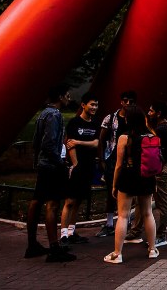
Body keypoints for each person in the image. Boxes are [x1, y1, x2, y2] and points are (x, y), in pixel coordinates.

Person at [24, 84, 76, 262]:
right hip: (52, 166)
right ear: (60, 97)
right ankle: (54, 248)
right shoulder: (54, 115)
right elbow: (48, 144)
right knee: (52, 204)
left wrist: (37, 162)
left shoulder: (43, 113)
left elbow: (36, 143)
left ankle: (32, 244)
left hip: (43, 164)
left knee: (36, 201)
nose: (69, 98)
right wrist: (61, 163)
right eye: (67, 95)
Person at [104, 103, 159, 264]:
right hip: (147, 177)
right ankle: (152, 249)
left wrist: (114, 185)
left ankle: (117, 253)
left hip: (128, 176)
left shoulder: (124, 138)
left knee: (123, 215)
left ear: (129, 120)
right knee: (148, 213)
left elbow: (119, 165)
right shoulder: (151, 135)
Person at [126, 101, 167, 248]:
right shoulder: (163, 126)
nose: (149, 113)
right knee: (142, 199)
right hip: (154, 167)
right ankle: (136, 230)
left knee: (161, 201)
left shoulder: (161, 129)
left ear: (158, 113)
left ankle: (161, 233)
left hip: (161, 168)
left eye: (151, 111)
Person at [59, 92, 99, 245]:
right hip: (77, 167)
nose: (94, 107)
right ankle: (63, 235)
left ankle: (71, 231)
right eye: (92, 104)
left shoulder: (95, 123)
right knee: (69, 201)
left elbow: (96, 143)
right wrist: (75, 165)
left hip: (89, 167)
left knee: (79, 201)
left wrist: (79, 142)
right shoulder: (75, 123)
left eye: (96, 105)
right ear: (83, 105)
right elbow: (70, 145)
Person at [96, 90, 134, 237]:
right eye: (125, 101)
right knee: (112, 190)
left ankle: (126, 220)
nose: (128, 104)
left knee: (128, 190)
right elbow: (102, 139)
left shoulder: (135, 118)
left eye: (131, 101)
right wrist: (101, 160)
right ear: (121, 102)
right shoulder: (111, 118)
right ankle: (110, 223)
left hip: (129, 159)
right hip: (112, 157)